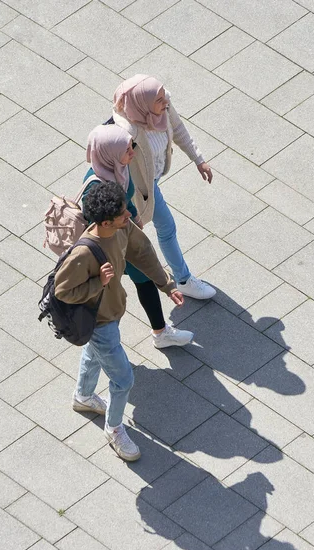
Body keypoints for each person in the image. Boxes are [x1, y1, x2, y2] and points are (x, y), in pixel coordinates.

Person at [54, 181, 184, 461]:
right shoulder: (83, 253)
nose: (130, 216)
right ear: (105, 221)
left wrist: (167, 284)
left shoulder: (122, 227)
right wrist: (97, 284)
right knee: (123, 379)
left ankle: (83, 396)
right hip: (100, 322)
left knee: (93, 354)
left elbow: (143, 252)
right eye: (123, 214)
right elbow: (63, 291)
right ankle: (113, 430)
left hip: (111, 312)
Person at [84, 124, 193, 349]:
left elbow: (128, 196)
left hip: (126, 238)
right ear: (110, 153)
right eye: (127, 149)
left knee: (143, 279)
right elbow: (95, 225)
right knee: (107, 294)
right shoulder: (94, 188)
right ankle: (98, 342)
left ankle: (160, 332)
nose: (132, 152)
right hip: (108, 249)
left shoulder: (120, 167)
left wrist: (133, 217)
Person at [111, 74, 216, 300]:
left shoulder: (162, 108)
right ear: (143, 103)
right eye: (159, 100)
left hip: (152, 180)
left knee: (148, 230)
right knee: (166, 228)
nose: (165, 102)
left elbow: (177, 129)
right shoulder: (127, 132)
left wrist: (199, 160)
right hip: (140, 187)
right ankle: (183, 279)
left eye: (163, 96)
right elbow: (119, 168)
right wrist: (129, 205)